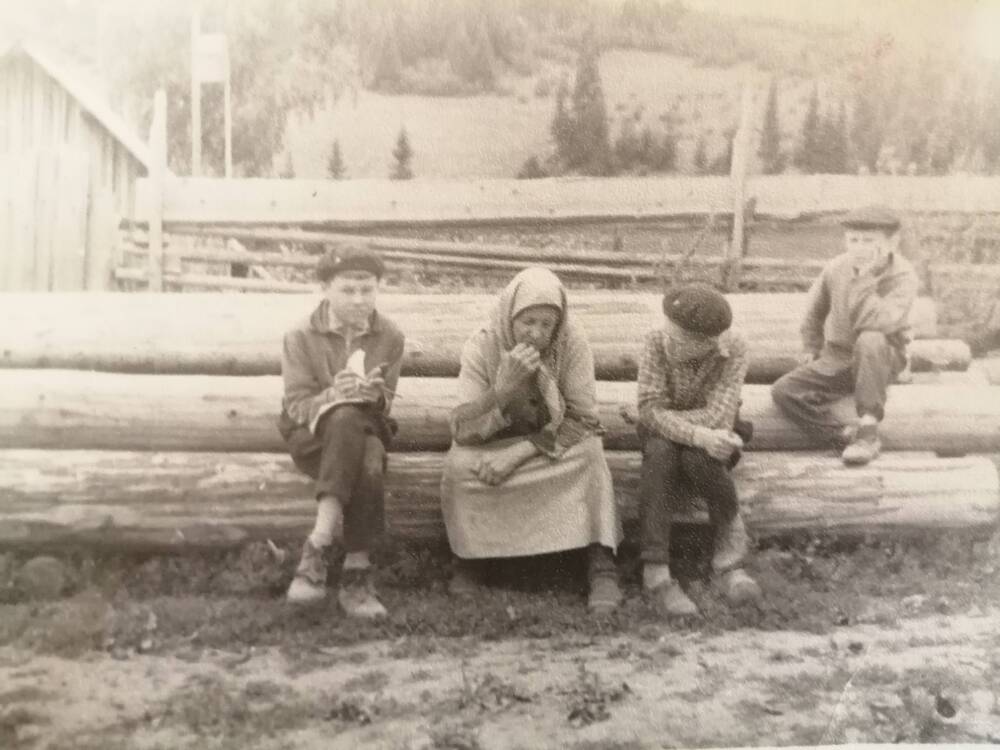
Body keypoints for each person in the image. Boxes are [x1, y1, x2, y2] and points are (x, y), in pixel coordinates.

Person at [440, 267, 623, 613]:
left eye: (546, 324)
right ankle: (469, 559)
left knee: (590, 454)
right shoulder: (482, 343)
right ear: (510, 315)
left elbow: (584, 418)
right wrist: (502, 389)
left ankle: (601, 564)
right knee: (459, 466)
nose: (537, 334)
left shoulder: (571, 343)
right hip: (491, 443)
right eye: (528, 322)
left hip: (546, 447)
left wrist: (520, 453)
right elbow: (463, 428)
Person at [279, 245, 405, 618]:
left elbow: (387, 402)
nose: (358, 299)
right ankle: (356, 573)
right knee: (362, 444)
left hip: (363, 427)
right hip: (312, 437)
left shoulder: (390, 336)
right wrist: (336, 396)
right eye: (347, 290)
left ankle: (316, 551)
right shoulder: (300, 335)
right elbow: (298, 405)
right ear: (326, 289)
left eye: (367, 290)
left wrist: (373, 396)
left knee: (358, 428)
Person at [636, 283, 760, 617]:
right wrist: (694, 431)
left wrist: (671, 422)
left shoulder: (733, 348)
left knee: (699, 458)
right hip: (669, 437)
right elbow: (649, 409)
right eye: (668, 330)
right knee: (661, 454)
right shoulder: (655, 341)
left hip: (712, 435)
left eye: (678, 340)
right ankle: (656, 571)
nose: (667, 340)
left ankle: (729, 563)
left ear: (707, 344)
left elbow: (719, 415)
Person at [771, 205, 918, 466]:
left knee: (870, 338)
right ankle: (840, 436)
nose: (859, 248)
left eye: (869, 241)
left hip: (883, 355)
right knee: (783, 390)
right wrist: (812, 347)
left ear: (892, 242)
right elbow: (814, 312)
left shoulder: (903, 276)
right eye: (853, 240)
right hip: (839, 357)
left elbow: (877, 323)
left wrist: (865, 278)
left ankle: (868, 432)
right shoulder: (836, 267)